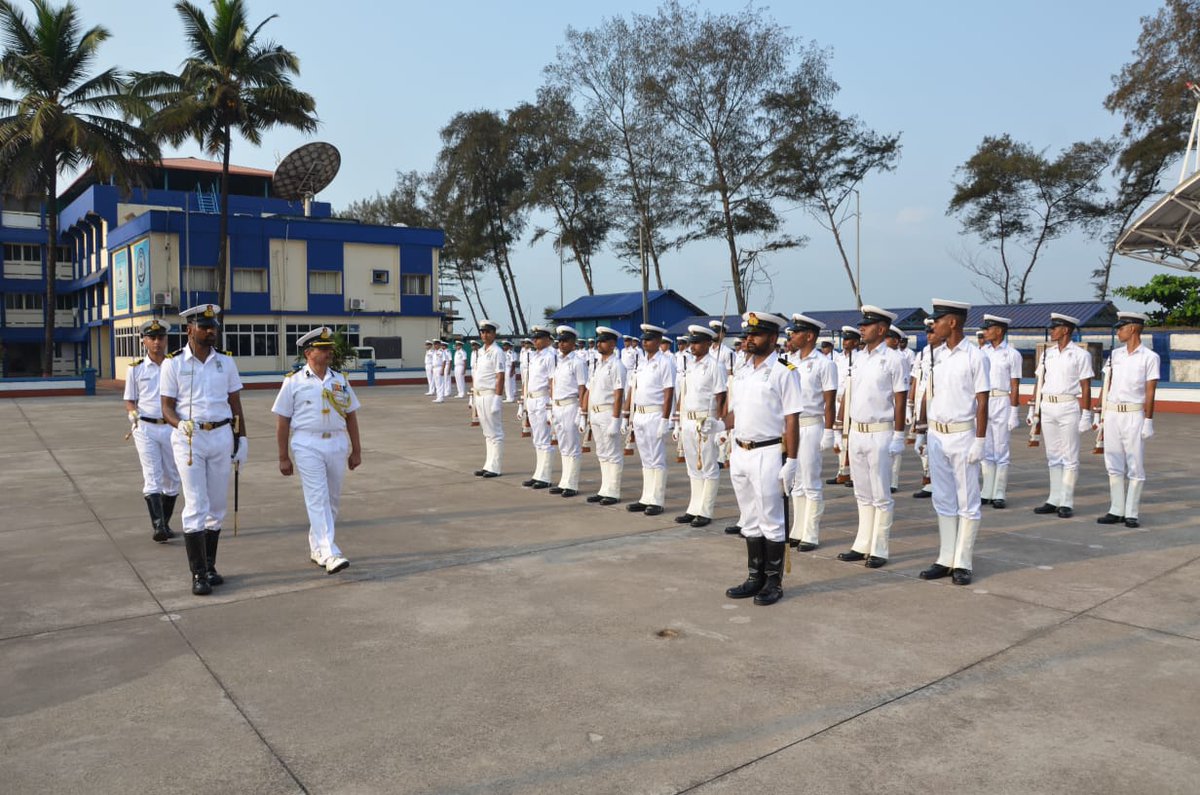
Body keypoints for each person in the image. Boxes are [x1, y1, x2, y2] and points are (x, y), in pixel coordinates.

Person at [159, 304, 247, 596]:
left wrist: (241, 438)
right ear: (189, 329)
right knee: (196, 504)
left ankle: (210, 565)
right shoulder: (173, 364)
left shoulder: (226, 362)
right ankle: (197, 573)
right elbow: (166, 407)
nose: (211, 332)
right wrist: (178, 425)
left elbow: (235, 404)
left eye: (214, 327)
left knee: (217, 506)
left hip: (221, 435)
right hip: (189, 438)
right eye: (204, 327)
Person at [721, 311, 802, 606]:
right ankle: (754, 577)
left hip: (768, 451)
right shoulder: (742, 371)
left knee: (771, 520)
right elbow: (737, 412)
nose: (749, 340)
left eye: (756, 335)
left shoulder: (785, 370)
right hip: (740, 451)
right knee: (750, 519)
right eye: (747, 335)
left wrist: (791, 461)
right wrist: (719, 425)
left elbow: (792, 420)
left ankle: (773, 582)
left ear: (772, 337)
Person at [271, 326, 362, 575]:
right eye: (323, 349)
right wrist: (282, 457)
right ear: (309, 353)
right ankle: (330, 551)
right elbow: (283, 421)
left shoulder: (340, 380)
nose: (329, 352)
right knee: (317, 497)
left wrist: (357, 450)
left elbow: (351, 415)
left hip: (336, 442)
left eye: (329, 348)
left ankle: (317, 548)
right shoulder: (293, 381)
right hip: (307, 443)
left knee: (331, 500)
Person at [915, 300, 989, 586]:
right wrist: (922, 430)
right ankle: (945, 557)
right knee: (943, 499)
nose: (934, 325)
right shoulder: (937, 355)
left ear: (953, 322)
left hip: (961, 435)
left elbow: (982, 402)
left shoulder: (974, 356)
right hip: (936, 434)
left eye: (939, 319)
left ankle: (963, 561)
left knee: (967, 501)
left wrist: (980, 441)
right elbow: (930, 394)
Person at [835, 306, 908, 569]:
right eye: (861, 325)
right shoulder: (858, 357)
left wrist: (899, 435)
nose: (861, 328)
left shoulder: (894, 359)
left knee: (881, 494)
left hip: (880, 431)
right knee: (862, 492)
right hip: (857, 431)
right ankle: (861, 543)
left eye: (868, 325)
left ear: (882, 329)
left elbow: (900, 401)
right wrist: (841, 428)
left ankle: (880, 547)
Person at [1096, 311, 1159, 528]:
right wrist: (1099, 414)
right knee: (1113, 463)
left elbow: (1150, 391)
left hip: (1133, 414)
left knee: (1135, 464)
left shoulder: (1150, 357)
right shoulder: (1115, 355)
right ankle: (1116, 509)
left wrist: (1148, 420)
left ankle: (1131, 512)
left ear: (1132, 328)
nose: (1119, 331)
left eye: (1121, 327)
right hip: (1113, 413)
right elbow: (1106, 385)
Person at [1029, 313, 1094, 519]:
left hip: (1068, 405)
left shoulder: (1080, 355)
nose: (1052, 331)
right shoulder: (1047, 354)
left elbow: (1086, 386)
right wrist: (1034, 408)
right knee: (1053, 456)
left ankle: (1066, 501)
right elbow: (1039, 382)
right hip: (1048, 405)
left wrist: (1086, 414)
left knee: (1069, 456)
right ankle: (1053, 498)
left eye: (1055, 328)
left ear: (1065, 330)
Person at [124, 318, 181, 543]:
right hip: (145, 427)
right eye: (152, 338)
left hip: (170, 427)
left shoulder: (174, 365)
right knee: (152, 476)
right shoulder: (136, 369)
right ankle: (158, 526)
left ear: (166, 340)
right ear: (144, 341)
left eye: (160, 338)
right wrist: (132, 413)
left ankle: (165, 524)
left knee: (173, 478)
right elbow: (130, 400)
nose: (157, 342)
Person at [783, 314, 837, 551]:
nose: (791, 336)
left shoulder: (825, 363)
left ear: (809, 336)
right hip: (792, 425)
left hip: (812, 424)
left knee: (811, 480)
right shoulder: (787, 362)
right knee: (796, 480)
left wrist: (829, 430)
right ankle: (798, 529)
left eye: (796, 333)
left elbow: (830, 401)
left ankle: (811, 533)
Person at [672, 324, 728, 527]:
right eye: (691, 342)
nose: (692, 346)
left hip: (705, 421)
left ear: (707, 343)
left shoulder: (715, 365)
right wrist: (678, 421)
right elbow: (683, 395)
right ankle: (694, 507)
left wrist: (720, 428)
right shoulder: (690, 366)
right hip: (688, 420)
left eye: (696, 343)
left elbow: (721, 398)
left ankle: (706, 510)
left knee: (708, 466)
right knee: (692, 467)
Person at [623, 324, 676, 516]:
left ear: (659, 341)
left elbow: (668, 391)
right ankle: (646, 497)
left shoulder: (665, 362)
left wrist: (665, 418)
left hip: (655, 413)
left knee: (657, 458)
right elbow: (633, 388)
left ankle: (657, 500)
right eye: (644, 339)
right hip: (640, 413)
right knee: (646, 459)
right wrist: (627, 415)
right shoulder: (641, 362)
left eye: (649, 339)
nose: (645, 342)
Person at [979, 314, 1023, 509]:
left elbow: (1015, 385)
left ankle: (999, 492)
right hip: (984, 400)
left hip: (1002, 400)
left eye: (989, 329)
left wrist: (1014, 411)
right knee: (986, 448)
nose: (985, 332)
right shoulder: (982, 352)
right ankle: (986, 490)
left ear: (999, 330)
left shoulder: (1012, 354)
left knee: (1001, 448)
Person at [584, 326, 627, 505]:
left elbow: (618, 393)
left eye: (603, 341)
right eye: (598, 341)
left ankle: (613, 491)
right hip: (595, 413)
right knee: (602, 453)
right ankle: (604, 489)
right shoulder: (597, 364)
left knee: (613, 453)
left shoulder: (617, 365)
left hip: (609, 413)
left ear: (612, 344)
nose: (599, 344)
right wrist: (584, 414)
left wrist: (617, 420)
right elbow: (590, 390)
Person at [549, 325, 589, 497]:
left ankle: (572, 483)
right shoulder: (559, 362)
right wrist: (551, 406)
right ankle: (564, 480)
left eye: (565, 341)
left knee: (572, 445)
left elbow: (583, 388)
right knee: (563, 446)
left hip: (571, 405)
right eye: (560, 341)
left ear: (573, 343)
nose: (561, 344)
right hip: (558, 406)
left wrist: (582, 411)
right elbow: (554, 385)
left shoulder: (578, 362)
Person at [520, 326, 558, 489]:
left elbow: (552, 381)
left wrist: (551, 404)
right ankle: (538, 474)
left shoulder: (550, 355)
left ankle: (545, 476)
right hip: (532, 399)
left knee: (544, 438)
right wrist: (524, 400)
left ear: (548, 339)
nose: (535, 340)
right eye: (534, 338)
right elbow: (527, 379)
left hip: (543, 399)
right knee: (537, 439)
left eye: (539, 338)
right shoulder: (534, 356)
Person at [470, 320, 506, 478]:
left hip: (491, 394)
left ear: (494, 334)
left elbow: (500, 376)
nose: (484, 335)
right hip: (479, 394)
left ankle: (495, 467)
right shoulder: (480, 351)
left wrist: (498, 397)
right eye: (482, 332)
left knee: (495, 432)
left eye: (488, 332)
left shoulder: (497, 352)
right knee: (487, 432)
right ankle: (488, 464)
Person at [827, 326, 861, 486]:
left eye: (849, 340)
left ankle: (855, 474)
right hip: (837, 400)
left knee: (851, 438)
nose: (846, 342)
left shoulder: (860, 358)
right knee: (838, 437)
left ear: (856, 342)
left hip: (852, 400)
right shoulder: (838, 358)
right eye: (845, 339)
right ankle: (842, 471)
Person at [911, 317, 941, 499]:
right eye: (927, 332)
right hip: (922, 400)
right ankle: (928, 478)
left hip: (938, 401)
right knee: (920, 446)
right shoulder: (922, 354)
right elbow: (915, 380)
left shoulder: (945, 353)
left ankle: (935, 481)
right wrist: (911, 405)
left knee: (936, 445)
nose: (929, 335)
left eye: (932, 331)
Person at [886, 325, 913, 494]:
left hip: (895, 404)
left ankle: (893, 481)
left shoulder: (901, 358)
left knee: (894, 448)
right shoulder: (871, 357)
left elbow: (904, 387)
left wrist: (908, 410)